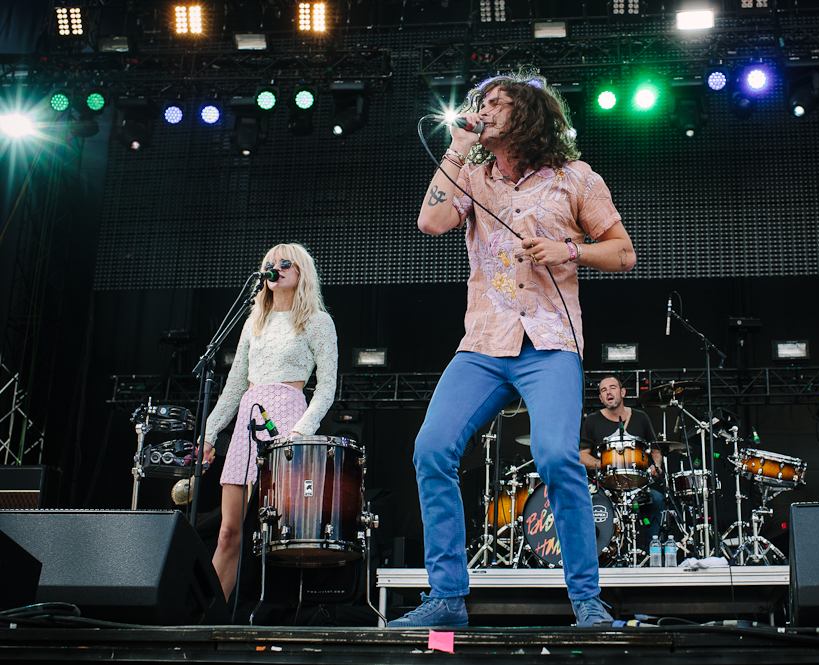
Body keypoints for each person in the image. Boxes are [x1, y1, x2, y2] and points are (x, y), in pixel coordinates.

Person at [388, 71, 636, 628]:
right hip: (482, 342)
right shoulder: (472, 176)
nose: (485, 111)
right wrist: (456, 146)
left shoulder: (576, 178)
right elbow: (430, 222)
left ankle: (587, 602)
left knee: (555, 457)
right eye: (481, 104)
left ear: (526, 116)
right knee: (431, 450)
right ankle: (447, 600)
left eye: (497, 104)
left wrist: (568, 248)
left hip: (549, 343)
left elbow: (623, 253)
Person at [201, 242, 338, 601]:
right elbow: (232, 389)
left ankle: (283, 615)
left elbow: (327, 388)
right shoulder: (253, 323)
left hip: (288, 423)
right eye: (270, 264)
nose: (276, 268)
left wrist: (299, 432)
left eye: (285, 263)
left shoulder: (317, 321)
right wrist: (210, 433)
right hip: (248, 422)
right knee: (228, 532)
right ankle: (210, 616)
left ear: (301, 272)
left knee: (284, 535)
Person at [581, 375, 667, 554]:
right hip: (605, 488)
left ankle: (654, 554)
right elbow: (581, 456)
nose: (608, 392)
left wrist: (655, 466)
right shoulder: (592, 421)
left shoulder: (640, 417)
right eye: (603, 390)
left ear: (622, 392)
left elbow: (656, 450)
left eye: (612, 388)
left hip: (638, 486)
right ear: (600, 398)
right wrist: (605, 464)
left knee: (658, 500)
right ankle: (601, 556)